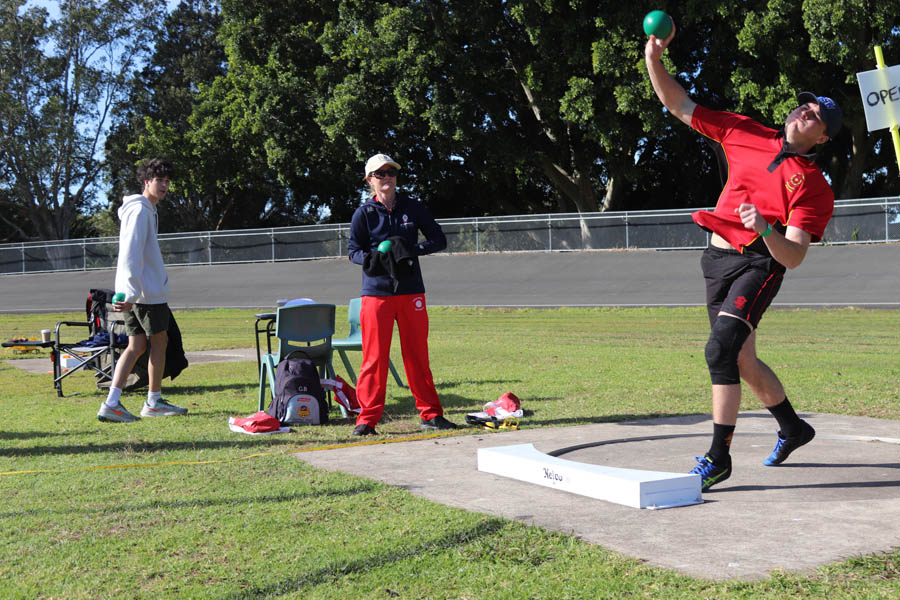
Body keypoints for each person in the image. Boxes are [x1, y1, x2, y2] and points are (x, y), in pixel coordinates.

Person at [645, 25, 842, 490]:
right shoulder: (743, 130)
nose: (804, 111)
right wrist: (654, 59)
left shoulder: (815, 187)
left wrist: (766, 228)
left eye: (815, 115)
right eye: (804, 105)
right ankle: (794, 428)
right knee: (743, 360)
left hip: (760, 264)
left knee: (720, 351)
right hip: (716, 259)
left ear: (822, 137)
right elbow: (679, 104)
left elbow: (793, 256)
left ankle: (718, 458)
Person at [346, 153, 457, 436]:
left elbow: (439, 240)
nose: (387, 177)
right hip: (376, 294)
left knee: (417, 356)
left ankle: (431, 415)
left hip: (411, 292)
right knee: (374, 359)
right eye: (380, 173)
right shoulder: (364, 213)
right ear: (369, 180)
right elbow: (353, 252)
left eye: (391, 172)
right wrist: (372, 259)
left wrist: (412, 250)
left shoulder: (413, 207)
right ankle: (367, 420)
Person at [97, 159, 188, 423]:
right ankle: (153, 401)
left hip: (137, 291)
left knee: (136, 345)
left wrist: (127, 292)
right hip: (144, 293)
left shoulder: (145, 210)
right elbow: (130, 252)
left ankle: (112, 402)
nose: (164, 186)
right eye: (159, 180)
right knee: (159, 342)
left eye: (167, 181)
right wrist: (129, 293)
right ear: (146, 181)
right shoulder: (140, 210)